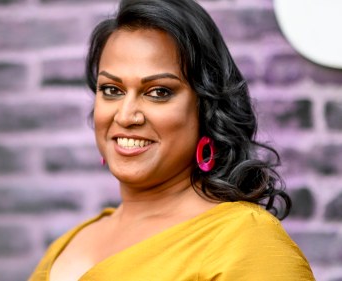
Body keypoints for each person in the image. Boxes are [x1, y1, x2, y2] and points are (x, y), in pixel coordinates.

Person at [29, 0, 315, 280]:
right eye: (112, 89)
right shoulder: (67, 243)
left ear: (206, 107)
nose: (126, 116)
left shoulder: (243, 241)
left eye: (159, 92)